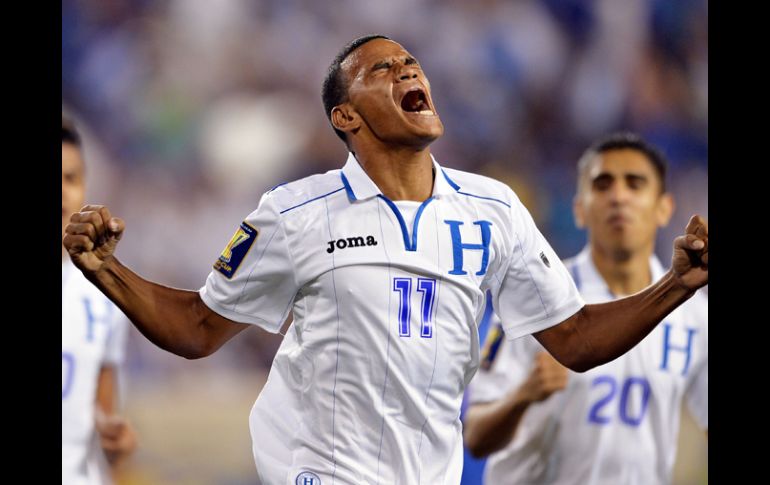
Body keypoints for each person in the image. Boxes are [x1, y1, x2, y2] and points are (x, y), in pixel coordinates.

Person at [62, 35, 708, 484]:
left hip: (429, 471)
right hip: (315, 464)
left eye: (410, 63)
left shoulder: (493, 208)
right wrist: (107, 269)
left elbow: (573, 336)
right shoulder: (296, 212)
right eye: (381, 69)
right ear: (346, 115)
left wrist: (679, 283)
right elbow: (198, 328)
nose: (407, 72)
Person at [463, 132, 707, 484]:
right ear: (579, 208)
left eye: (635, 184)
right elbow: (476, 438)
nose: (618, 197)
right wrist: (524, 394)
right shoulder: (533, 298)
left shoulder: (696, 313)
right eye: (602, 184)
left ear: (664, 208)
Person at [62, 115, 138, 484]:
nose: (62, 192)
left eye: (71, 179)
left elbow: (103, 410)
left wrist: (115, 439)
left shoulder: (104, 292)